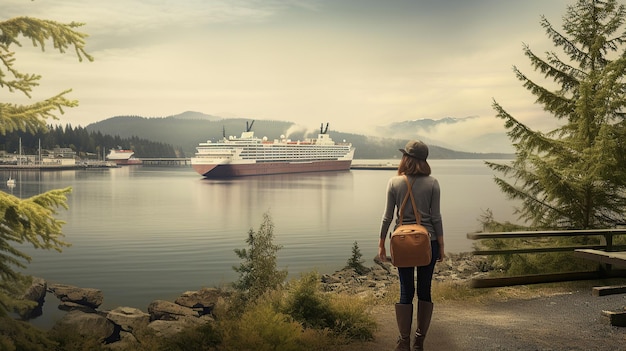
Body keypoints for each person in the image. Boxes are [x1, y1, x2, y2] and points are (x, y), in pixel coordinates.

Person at [378, 140, 445, 351]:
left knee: (406, 290)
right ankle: (419, 341)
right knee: (425, 290)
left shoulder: (394, 183)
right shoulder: (433, 183)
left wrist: (381, 244)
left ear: (405, 158)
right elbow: (436, 217)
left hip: (402, 244)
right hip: (429, 242)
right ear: (424, 161)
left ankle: (403, 341)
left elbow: (387, 217)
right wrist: (441, 245)